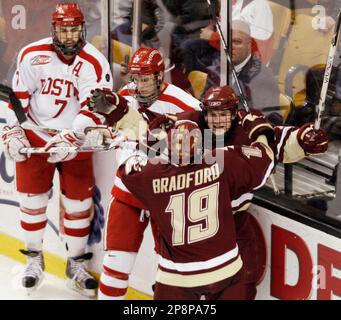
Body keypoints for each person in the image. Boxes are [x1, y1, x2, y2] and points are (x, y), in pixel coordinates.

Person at [152, 85, 329, 299]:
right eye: (212, 114)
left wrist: (305, 138)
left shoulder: (245, 130)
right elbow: (154, 132)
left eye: (223, 115)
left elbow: (283, 139)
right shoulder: (191, 125)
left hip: (232, 232)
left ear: (235, 113)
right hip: (184, 239)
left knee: (238, 290)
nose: (217, 120)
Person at [0, 3, 113, 296]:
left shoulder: (94, 61)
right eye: (63, 29)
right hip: (36, 133)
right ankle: (34, 259)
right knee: (32, 201)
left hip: (75, 138)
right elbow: (18, 98)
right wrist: (13, 129)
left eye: (74, 28)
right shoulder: (31, 54)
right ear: (54, 29)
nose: (68, 34)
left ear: (82, 28)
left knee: (79, 205)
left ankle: (75, 264)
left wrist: (73, 138)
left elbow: (95, 108)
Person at [86, 47, 201, 300]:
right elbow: (113, 131)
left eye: (146, 79)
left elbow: (201, 146)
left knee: (169, 276)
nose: (139, 85)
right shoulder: (125, 96)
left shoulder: (186, 104)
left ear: (160, 77)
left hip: (168, 197)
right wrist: (103, 134)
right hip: (128, 192)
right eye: (136, 78)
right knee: (115, 266)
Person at [118, 119, 275, 300]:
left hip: (177, 277)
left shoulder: (152, 175)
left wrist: (142, 142)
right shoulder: (224, 161)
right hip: (226, 270)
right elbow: (264, 159)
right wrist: (261, 133)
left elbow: (127, 166)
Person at [231, 20, 281, 124]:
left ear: (249, 45)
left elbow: (267, 123)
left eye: (237, 42)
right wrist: (208, 139)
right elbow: (203, 109)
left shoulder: (263, 78)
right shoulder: (217, 68)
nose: (231, 47)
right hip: (215, 134)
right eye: (228, 42)